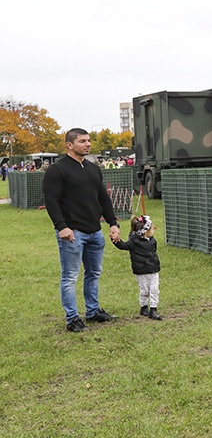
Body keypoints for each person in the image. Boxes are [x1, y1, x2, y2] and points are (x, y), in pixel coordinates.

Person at [43, 128, 121, 333]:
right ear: (69, 145)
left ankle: (93, 312)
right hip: (72, 233)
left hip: (95, 231)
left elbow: (103, 198)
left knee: (93, 273)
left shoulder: (93, 168)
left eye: (88, 141)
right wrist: (62, 226)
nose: (87, 144)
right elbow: (51, 201)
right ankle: (72, 318)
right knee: (70, 276)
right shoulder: (57, 170)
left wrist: (113, 223)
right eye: (82, 141)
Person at [111, 215, 163, 320]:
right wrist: (116, 241)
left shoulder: (152, 241)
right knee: (144, 290)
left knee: (154, 289)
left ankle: (153, 309)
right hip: (141, 271)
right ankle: (144, 307)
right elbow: (124, 246)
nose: (153, 230)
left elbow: (154, 252)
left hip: (153, 270)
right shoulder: (134, 242)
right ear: (145, 231)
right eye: (152, 228)